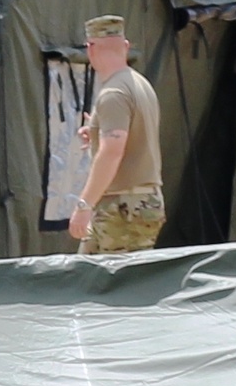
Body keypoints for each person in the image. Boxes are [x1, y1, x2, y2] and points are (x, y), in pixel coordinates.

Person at [68, 15, 165, 254]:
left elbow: (112, 152)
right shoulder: (139, 84)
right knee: (85, 277)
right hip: (134, 203)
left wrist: (84, 204)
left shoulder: (113, 93)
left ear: (90, 49)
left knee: (118, 284)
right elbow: (130, 137)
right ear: (125, 46)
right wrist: (97, 134)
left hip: (123, 207)